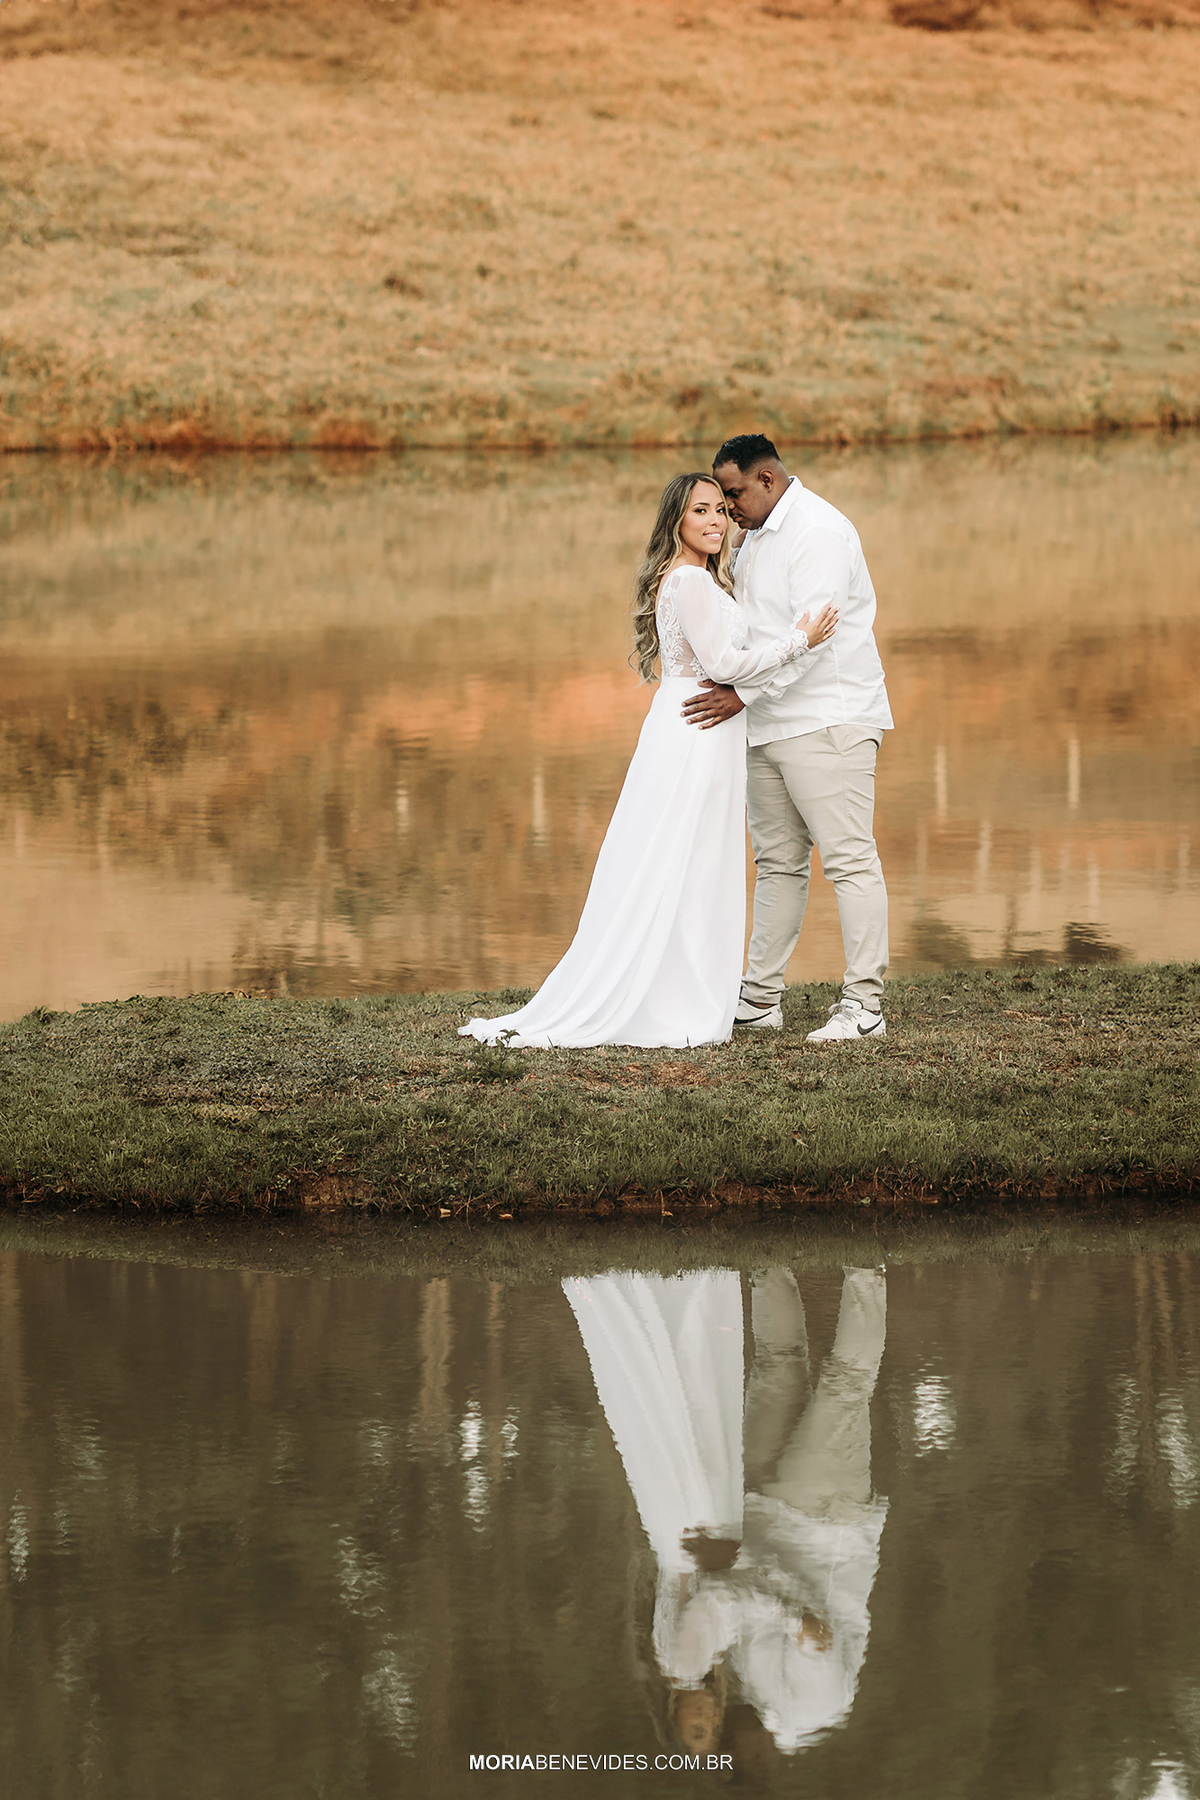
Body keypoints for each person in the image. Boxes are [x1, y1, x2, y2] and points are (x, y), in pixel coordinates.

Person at [459, 473, 836, 1050]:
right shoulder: (688, 581)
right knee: (683, 857)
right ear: (676, 523)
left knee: (692, 860)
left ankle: (680, 984)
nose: (714, 521)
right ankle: (672, 995)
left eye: (719, 509)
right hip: (695, 730)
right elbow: (724, 664)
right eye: (700, 511)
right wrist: (800, 641)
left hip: (697, 726)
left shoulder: (695, 580)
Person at [682, 434, 893, 1044]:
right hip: (769, 723)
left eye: (733, 493)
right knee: (776, 863)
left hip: (829, 717)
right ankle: (759, 998)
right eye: (718, 498)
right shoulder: (753, 537)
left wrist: (740, 695)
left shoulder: (818, 530)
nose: (726, 508)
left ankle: (864, 1006)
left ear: (768, 480)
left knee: (850, 859)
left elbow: (814, 635)